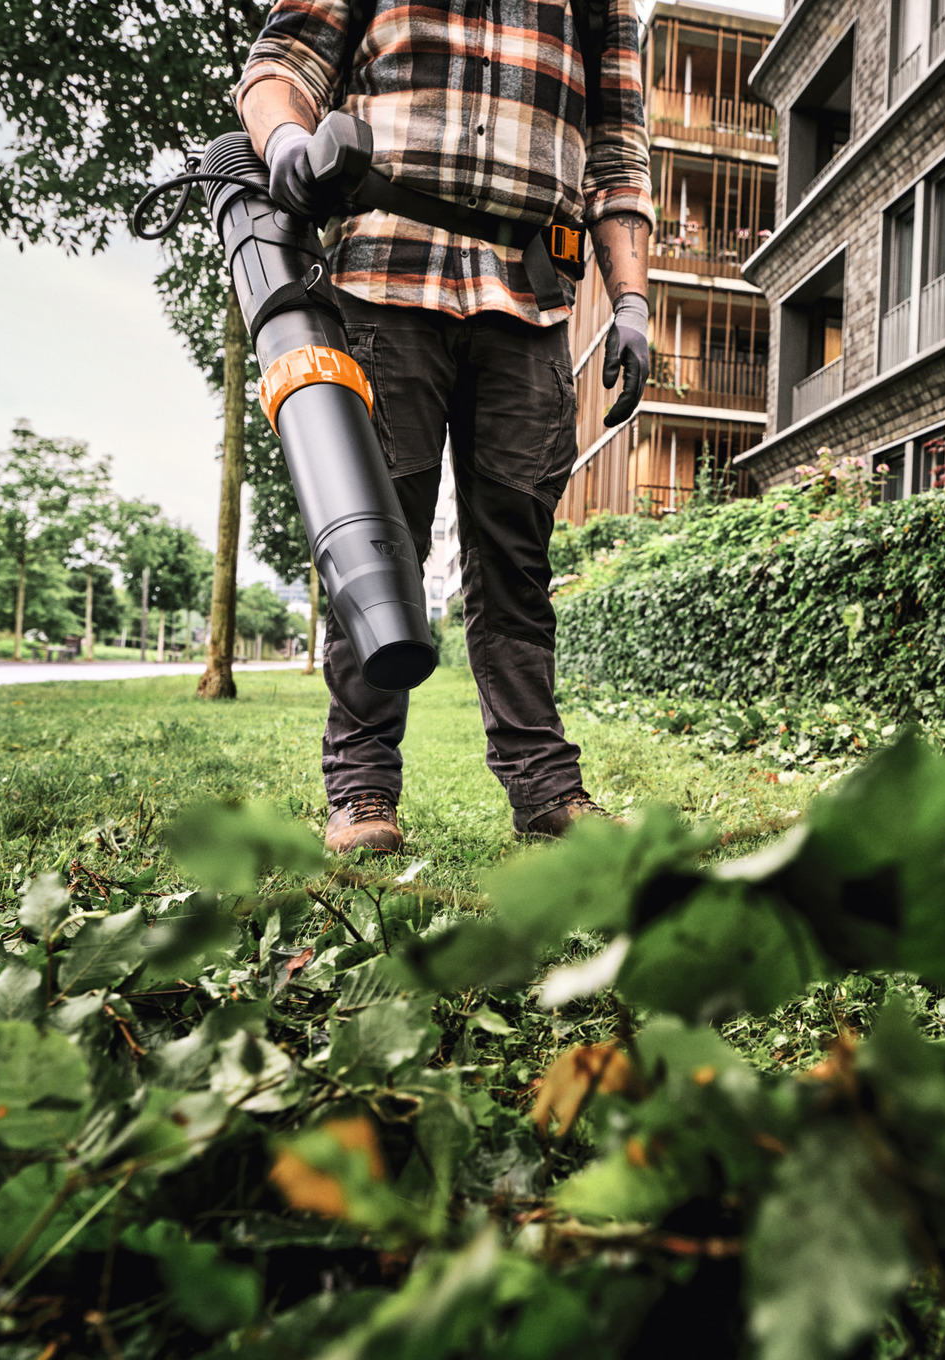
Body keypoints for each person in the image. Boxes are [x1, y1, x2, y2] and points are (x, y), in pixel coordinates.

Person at [235, 0, 654, 854]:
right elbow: (284, 66)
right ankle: (360, 794)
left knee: (515, 566)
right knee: (377, 546)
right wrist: (285, 145)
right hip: (384, 270)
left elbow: (618, 153)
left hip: (530, 299)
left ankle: (545, 791)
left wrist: (634, 298)